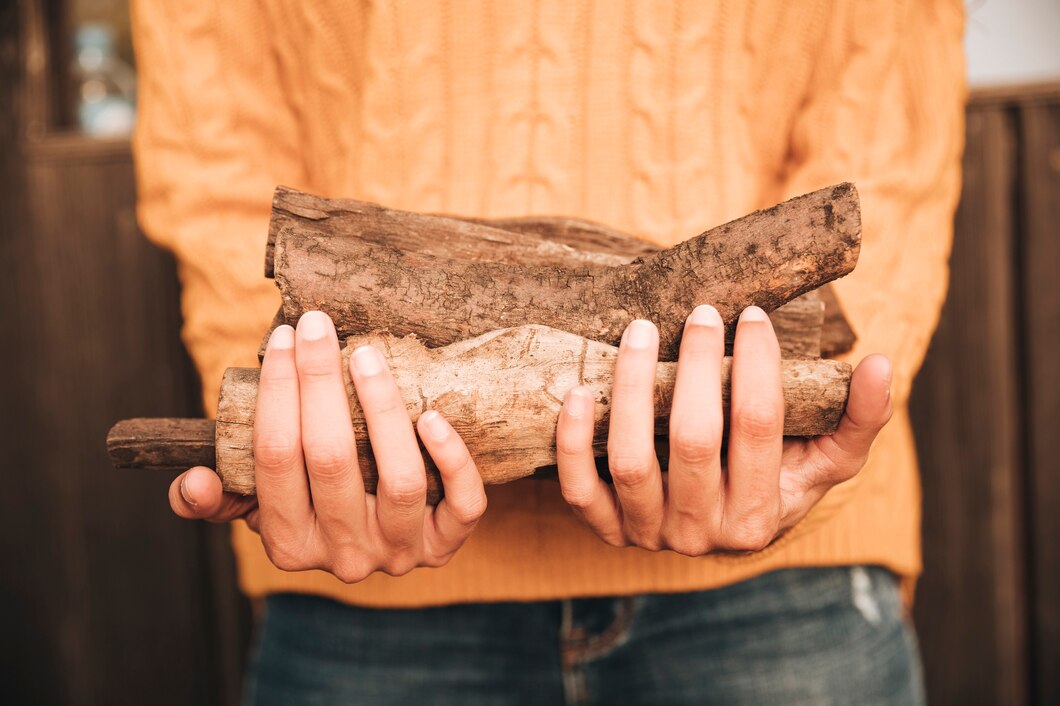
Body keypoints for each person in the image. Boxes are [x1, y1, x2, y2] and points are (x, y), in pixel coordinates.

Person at [131, 1, 965, 703]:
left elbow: (891, 96)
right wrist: (297, 414)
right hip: (365, 563)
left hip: (776, 565)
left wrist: (814, 410)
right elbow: (214, 136)